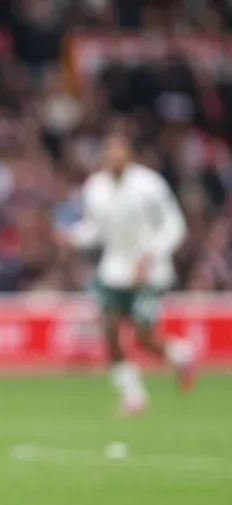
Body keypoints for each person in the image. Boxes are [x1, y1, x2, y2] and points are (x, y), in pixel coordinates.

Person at [62, 132, 196, 416]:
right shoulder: (95, 187)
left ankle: (180, 354)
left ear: (129, 156)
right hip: (114, 270)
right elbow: (95, 229)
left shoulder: (149, 184)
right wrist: (71, 238)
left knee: (143, 336)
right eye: (109, 154)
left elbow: (174, 225)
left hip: (149, 270)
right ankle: (134, 397)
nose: (114, 159)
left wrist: (151, 256)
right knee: (110, 331)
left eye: (118, 154)